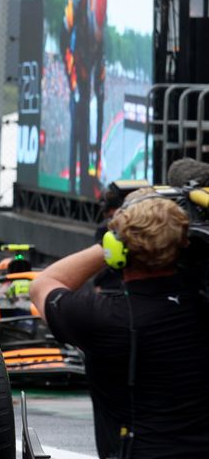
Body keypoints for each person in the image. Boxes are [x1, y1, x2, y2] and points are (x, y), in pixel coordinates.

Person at [30, 192, 209, 458]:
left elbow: (43, 285)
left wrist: (108, 244)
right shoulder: (201, 307)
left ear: (116, 251)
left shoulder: (100, 317)